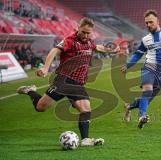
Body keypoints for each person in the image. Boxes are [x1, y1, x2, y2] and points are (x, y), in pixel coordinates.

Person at [17, 17, 119, 146]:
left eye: (89, 33)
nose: (86, 35)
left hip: (77, 84)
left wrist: (111, 50)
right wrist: (45, 68)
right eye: (84, 32)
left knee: (86, 109)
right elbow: (55, 50)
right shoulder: (70, 41)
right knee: (40, 107)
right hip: (63, 80)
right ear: (78, 28)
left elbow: (96, 47)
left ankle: (85, 140)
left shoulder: (89, 41)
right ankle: (30, 91)